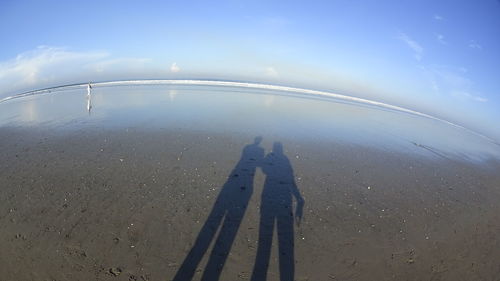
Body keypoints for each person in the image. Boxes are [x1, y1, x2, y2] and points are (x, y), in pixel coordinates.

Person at [251, 142, 304, 281]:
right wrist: (298, 198)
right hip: (283, 196)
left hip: (270, 194)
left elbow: (263, 169)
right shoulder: (285, 160)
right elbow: (290, 177)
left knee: (265, 240)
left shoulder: (274, 158)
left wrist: (299, 199)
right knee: (282, 239)